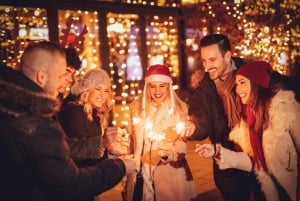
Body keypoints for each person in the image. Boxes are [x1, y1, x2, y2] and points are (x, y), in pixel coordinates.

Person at [0, 40, 136, 201]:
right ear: (41, 76)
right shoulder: (37, 121)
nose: (68, 81)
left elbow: (57, 147)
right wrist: (120, 166)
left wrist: (101, 143)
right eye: (62, 75)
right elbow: (71, 184)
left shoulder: (14, 105)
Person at [195, 60, 300, 201]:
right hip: (270, 193)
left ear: (257, 83)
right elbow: (254, 162)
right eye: (237, 84)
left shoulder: (286, 110)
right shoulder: (247, 120)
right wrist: (216, 151)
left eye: (242, 82)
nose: (238, 90)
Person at [187, 33, 252, 201]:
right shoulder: (202, 90)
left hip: (259, 160)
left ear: (227, 56)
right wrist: (193, 127)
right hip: (228, 170)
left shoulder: (251, 77)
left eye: (212, 60)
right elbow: (203, 123)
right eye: (204, 61)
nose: (207, 67)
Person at [128, 64, 197, 201]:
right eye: (152, 86)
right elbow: (132, 142)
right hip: (140, 173)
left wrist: (168, 155)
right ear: (147, 87)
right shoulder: (137, 110)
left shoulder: (178, 111)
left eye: (162, 86)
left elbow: (181, 148)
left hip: (168, 174)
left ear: (168, 87)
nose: (157, 91)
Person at [58, 68, 129, 168]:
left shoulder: (94, 113)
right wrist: (103, 143)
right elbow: (75, 152)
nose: (102, 95)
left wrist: (111, 150)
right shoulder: (75, 112)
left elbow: (95, 154)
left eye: (106, 91)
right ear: (86, 90)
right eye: (98, 89)